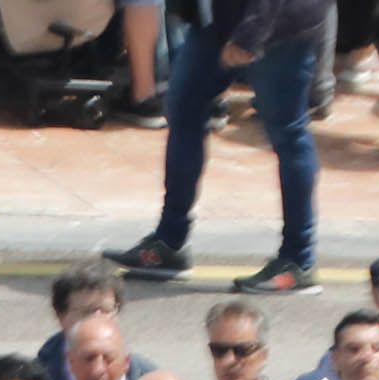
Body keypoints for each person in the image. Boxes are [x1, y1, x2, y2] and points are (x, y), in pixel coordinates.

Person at [112, 0, 324, 301]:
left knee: (287, 132)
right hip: (221, 18)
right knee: (184, 108)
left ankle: (298, 261)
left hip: (277, 21)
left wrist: (250, 34)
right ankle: (168, 242)